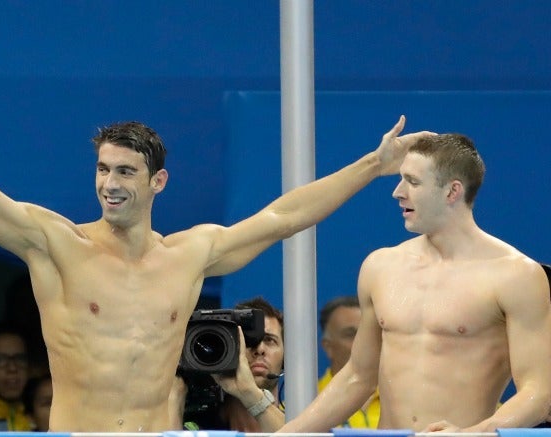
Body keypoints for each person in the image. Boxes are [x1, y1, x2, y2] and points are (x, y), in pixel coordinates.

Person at [0, 31, 432, 431]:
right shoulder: (57, 243)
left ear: (157, 180)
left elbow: (285, 216)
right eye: (102, 170)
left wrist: (371, 166)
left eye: (124, 172)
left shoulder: (190, 254)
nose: (109, 184)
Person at [280, 134, 551, 433]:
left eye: (413, 182)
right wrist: (286, 434)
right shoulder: (380, 267)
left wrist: (472, 434)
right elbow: (357, 377)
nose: (397, 192)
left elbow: (538, 394)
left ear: (452, 191)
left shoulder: (516, 276)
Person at [211, 296, 286, 432]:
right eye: (248, 339)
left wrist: (250, 394)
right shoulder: (200, 426)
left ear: (285, 359)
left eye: (269, 340)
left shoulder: (302, 423)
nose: (259, 349)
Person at [317, 295, 379, 428]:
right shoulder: (306, 402)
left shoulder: (401, 401)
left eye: (370, 333)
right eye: (351, 334)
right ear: (328, 347)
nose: (363, 342)